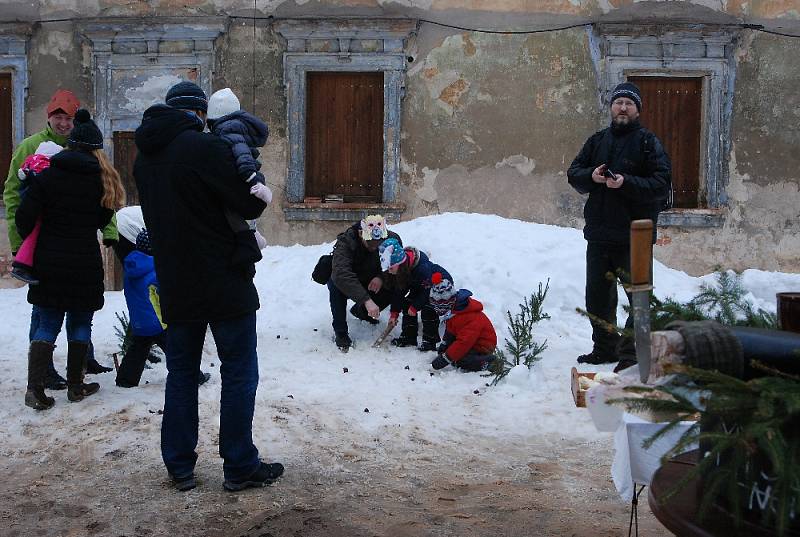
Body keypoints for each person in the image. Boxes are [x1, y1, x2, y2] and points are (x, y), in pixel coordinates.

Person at [134, 80, 283, 492]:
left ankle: (179, 465)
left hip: (175, 281)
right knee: (238, 370)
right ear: (201, 113)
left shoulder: (143, 158)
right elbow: (252, 201)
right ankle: (239, 464)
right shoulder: (204, 148)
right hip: (223, 279)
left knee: (181, 373)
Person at [4, 89, 117, 387]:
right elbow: (13, 195)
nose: (64, 124)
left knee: (55, 310)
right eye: (58, 117)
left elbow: (106, 203)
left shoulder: (80, 154)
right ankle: (48, 372)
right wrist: (21, 244)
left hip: (53, 250)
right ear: (49, 118)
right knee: (49, 313)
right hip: (44, 244)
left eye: (69, 118)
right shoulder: (30, 146)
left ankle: (77, 364)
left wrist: (109, 231)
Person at [567, 81, 671, 371]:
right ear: (611, 107)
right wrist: (593, 176)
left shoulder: (649, 143)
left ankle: (630, 354)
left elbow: (661, 184)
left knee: (638, 297)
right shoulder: (597, 141)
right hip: (599, 235)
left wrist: (625, 183)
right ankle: (604, 349)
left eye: (629, 103)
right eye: (618, 102)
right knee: (598, 297)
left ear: (637, 110)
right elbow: (573, 173)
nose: (622, 107)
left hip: (634, 236)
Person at [114, 226, 212, 389]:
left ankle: (125, 380)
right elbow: (172, 288)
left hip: (139, 320)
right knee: (177, 350)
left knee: (137, 350)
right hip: (158, 321)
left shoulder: (131, 266)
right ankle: (194, 377)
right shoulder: (156, 269)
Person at [205, 87, 272, 252]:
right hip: (246, 178)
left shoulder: (228, 129)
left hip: (247, 177)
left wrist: (252, 179)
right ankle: (251, 233)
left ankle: (250, 236)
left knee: (231, 212)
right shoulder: (233, 127)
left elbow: (243, 157)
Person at [328, 214, 401, 352]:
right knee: (335, 286)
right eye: (371, 243)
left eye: (378, 243)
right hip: (348, 279)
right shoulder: (346, 242)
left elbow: (395, 263)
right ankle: (341, 332)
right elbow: (341, 274)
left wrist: (381, 277)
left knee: (394, 283)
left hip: (373, 276)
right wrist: (366, 300)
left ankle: (361, 312)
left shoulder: (392, 239)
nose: (375, 247)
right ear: (361, 234)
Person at [378, 238, 451, 352]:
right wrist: (394, 313)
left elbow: (428, 292)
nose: (389, 271)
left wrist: (416, 306)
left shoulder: (423, 269)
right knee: (407, 304)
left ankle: (430, 341)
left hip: (439, 289)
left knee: (428, 308)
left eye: (391, 268)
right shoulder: (402, 270)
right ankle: (408, 337)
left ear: (399, 262)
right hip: (421, 287)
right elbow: (399, 291)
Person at [10, 141, 63, 284]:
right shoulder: (47, 166)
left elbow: (20, 175)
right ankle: (21, 266)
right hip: (36, 202)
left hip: (26, 195)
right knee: (34, 234)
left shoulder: (31, 160)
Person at [428, 278, 498, 372]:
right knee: (454, 354)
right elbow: (451, 330)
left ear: (448, 303)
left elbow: (463, 343)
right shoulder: (454, 311)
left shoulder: (470, 317)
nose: (437, 310)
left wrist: (445, 359)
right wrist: (445, 345)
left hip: (481, 347)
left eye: (439, 307)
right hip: (470, 342)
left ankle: (489, 363)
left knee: (460, 360)